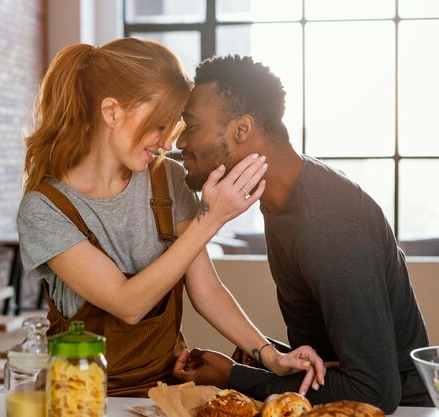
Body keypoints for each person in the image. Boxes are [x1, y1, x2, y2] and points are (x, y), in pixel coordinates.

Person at [17, 38, 325, 398]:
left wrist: (271, 356)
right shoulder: (46, 208)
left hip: (164, 391)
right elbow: (128, 304)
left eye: (173, 127)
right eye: (158, 126)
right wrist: (210, 220)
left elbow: (206, 291)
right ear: (112, 111)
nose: (166, 144)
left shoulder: (168, 180)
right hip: (79, 398)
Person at [172, 54, 432, 412]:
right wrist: (263, 357)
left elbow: (374, 390)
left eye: (191, 125)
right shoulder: (282, 196)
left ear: (242, 129)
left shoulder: (327, 226)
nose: (180, 141)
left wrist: (235, 377)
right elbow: (329, 357)